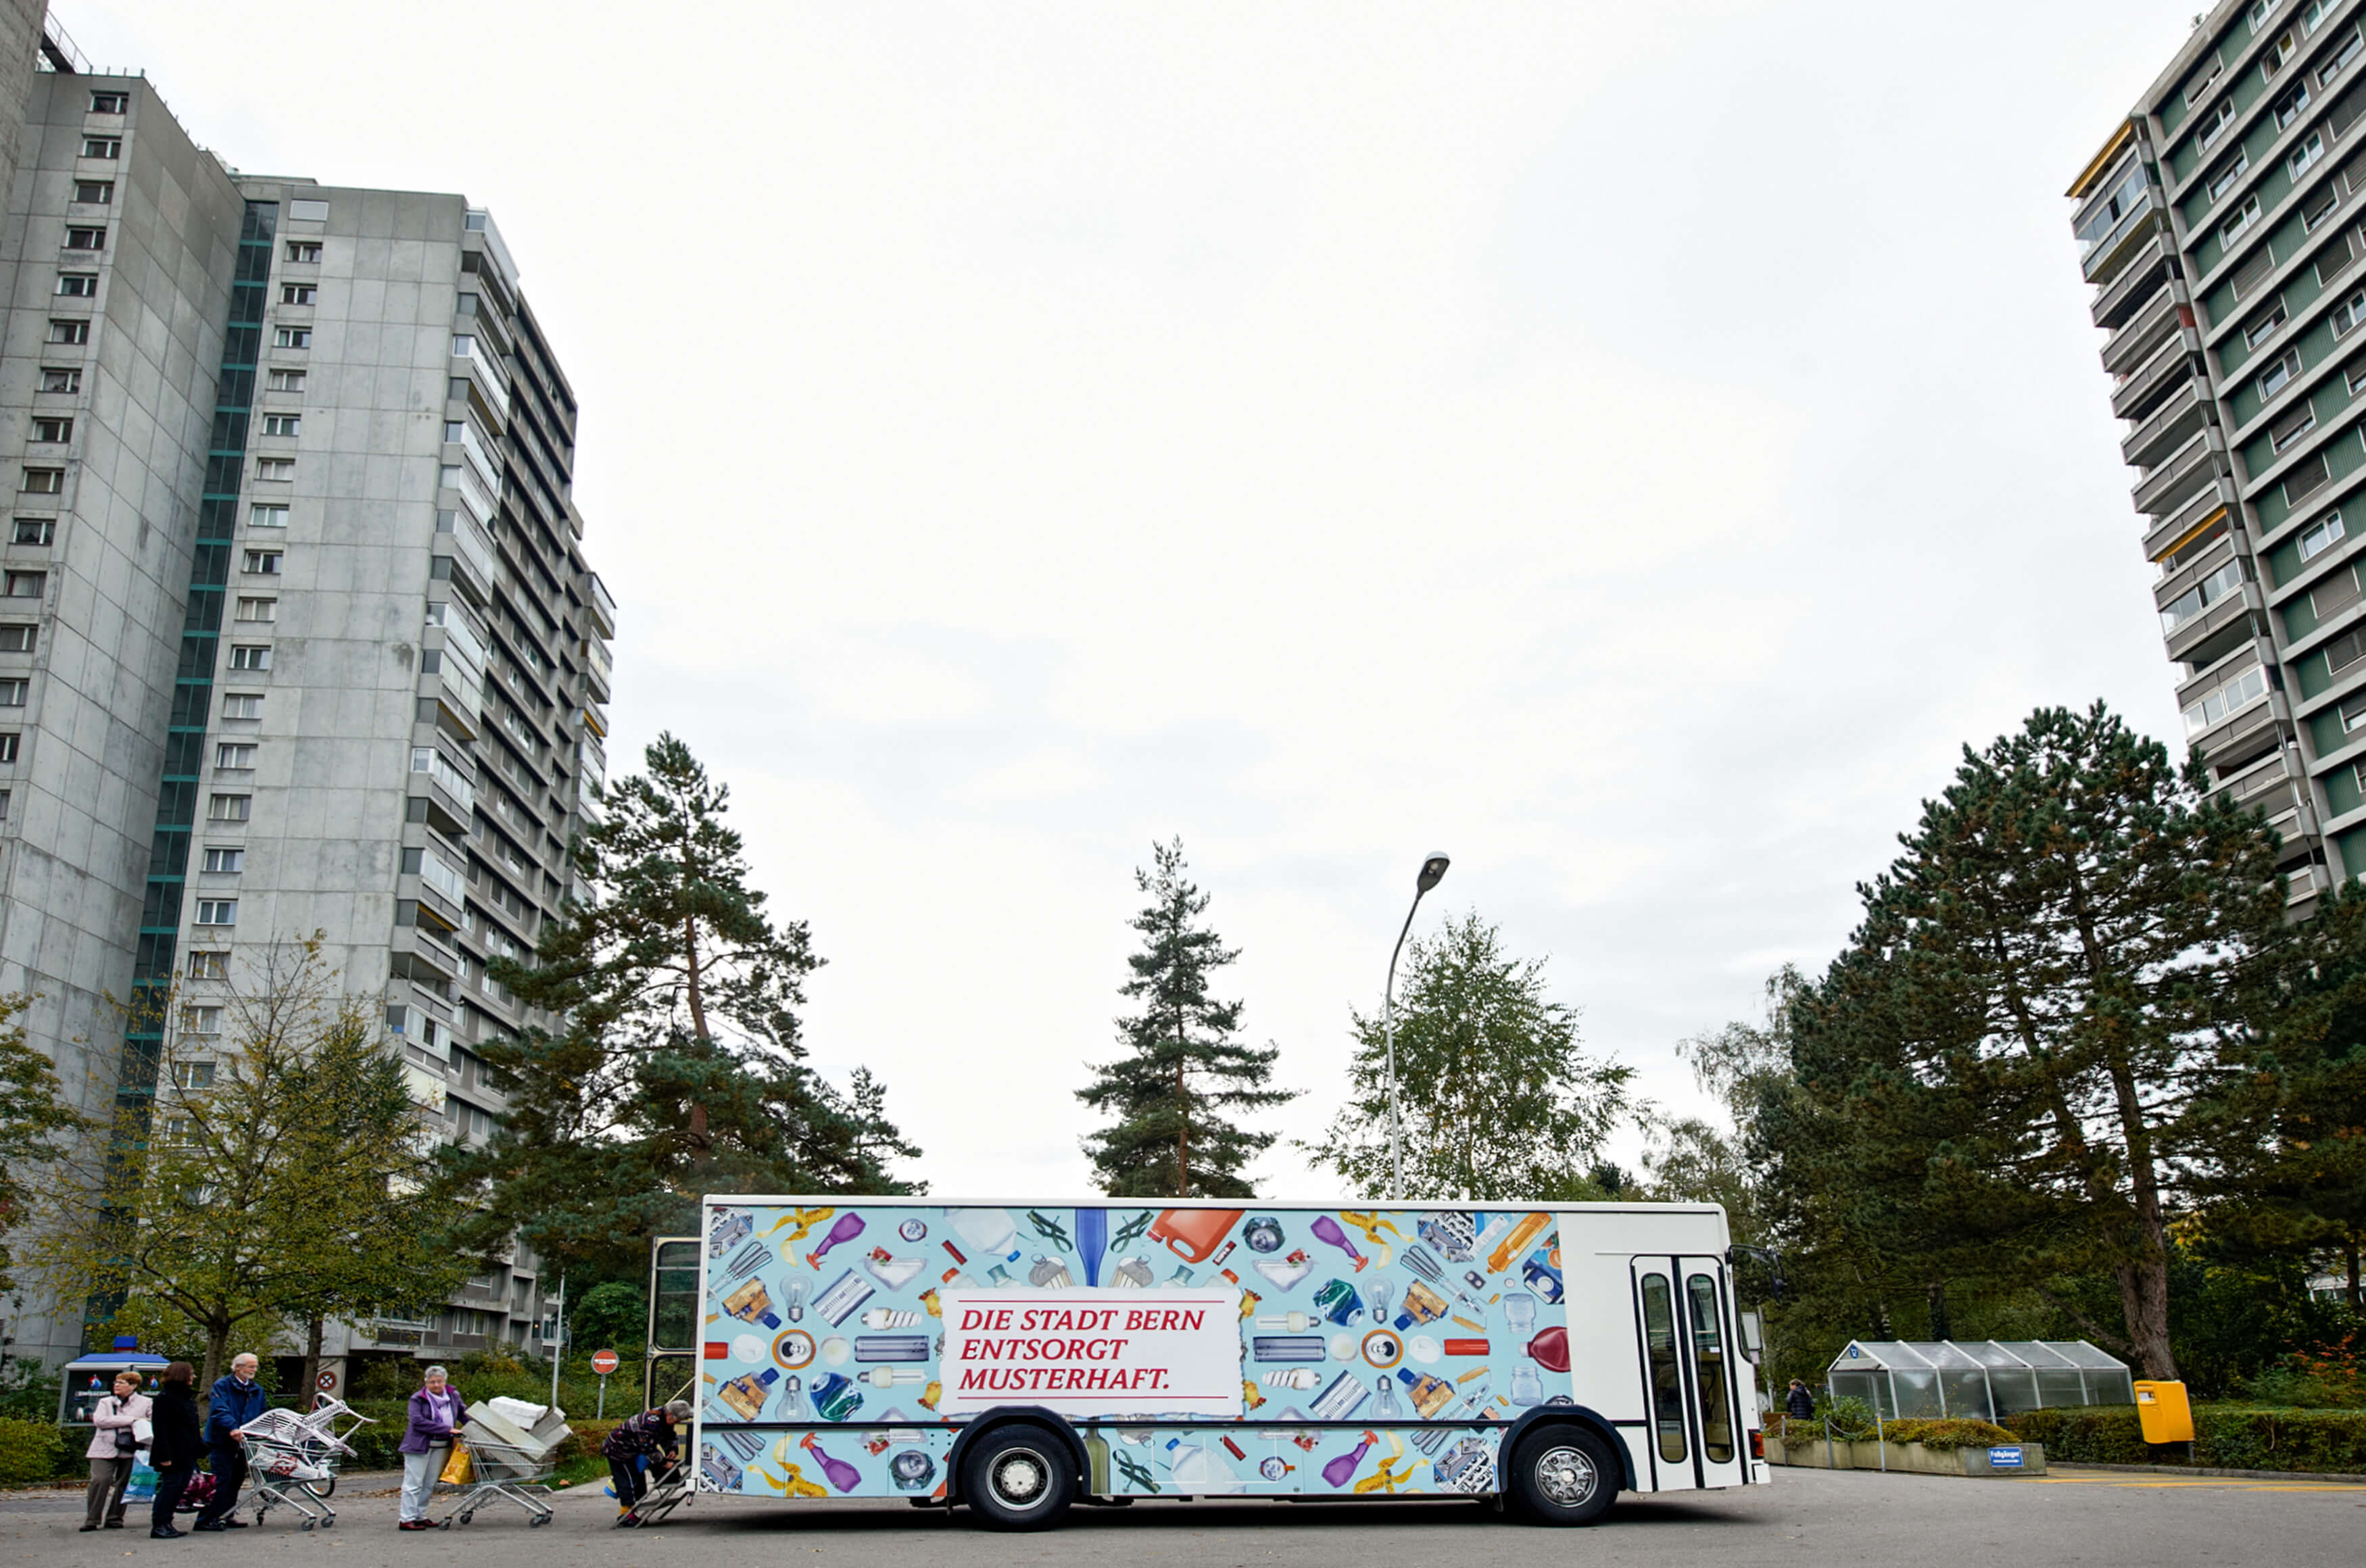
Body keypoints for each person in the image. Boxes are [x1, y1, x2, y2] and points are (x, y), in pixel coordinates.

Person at [191, 1352, 266, 1531]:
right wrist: (232, 1427)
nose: (254, 1370)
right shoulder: (222, 1386)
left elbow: (261, 1414)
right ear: (238, 1367)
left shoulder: (256, 1390)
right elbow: (219, 1410)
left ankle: (227, 1514)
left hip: (244, 1442)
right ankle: (206, 1519)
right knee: (220, 1480)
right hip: (222, 1440)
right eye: (250, 1366)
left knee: (236, 1480)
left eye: (255, 1367)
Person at [396, 1365, 466, 1531]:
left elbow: (464, 1414)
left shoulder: (453, 1396)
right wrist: (447, 1430)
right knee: (414, 1483)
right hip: (418, 1446)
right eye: (432, 1382)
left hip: (442, 1446)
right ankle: (406, 1518)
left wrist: (479, 1426)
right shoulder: (417, 1399)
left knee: (429, 1483)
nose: (436, 1385)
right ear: (426, 1383)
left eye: (439, 1382)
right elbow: (418, 1422)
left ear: (445, 1381)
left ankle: (419, 1515)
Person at [600, 1400, 690, 1527]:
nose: (677, 1423)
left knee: (639, 1479)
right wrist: (664, 1463)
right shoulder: (651, 1422)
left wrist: (672, 1450)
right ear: (670, 1415)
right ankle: (625, 1515)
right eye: (677, 1420)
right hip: (617, 1450)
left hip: (633, 1449)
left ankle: (633, 1510)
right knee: (628, 1480)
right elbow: (648, 1448)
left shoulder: (664, 1416)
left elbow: (669, 1435)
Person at [82, 1370, 153, 1532]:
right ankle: (92, 1519)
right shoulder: (105, 1402)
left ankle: (115, 1518)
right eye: (116, 1383)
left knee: (124, 1483)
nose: (116, 1385)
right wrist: (132, 1420)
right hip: (103, 1447)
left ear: (133, 1386)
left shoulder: (146, 1402)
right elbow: (100, 1421)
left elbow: (151, 1422)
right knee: (100, 1480)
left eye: (121, 1383)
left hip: (131, 1448)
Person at [148, 1363, 203, 1540]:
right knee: (170, 1487)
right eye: (191, 1374)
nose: (193, 1377)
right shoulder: (165, 1398)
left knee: (179, 1488)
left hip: (187, 1450)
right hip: (173, 1451)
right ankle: (159, 1523)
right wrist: (164, 1455)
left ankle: (167, 1522)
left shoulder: (185, 1396)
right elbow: (161, 1429)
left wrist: (199, 1447)